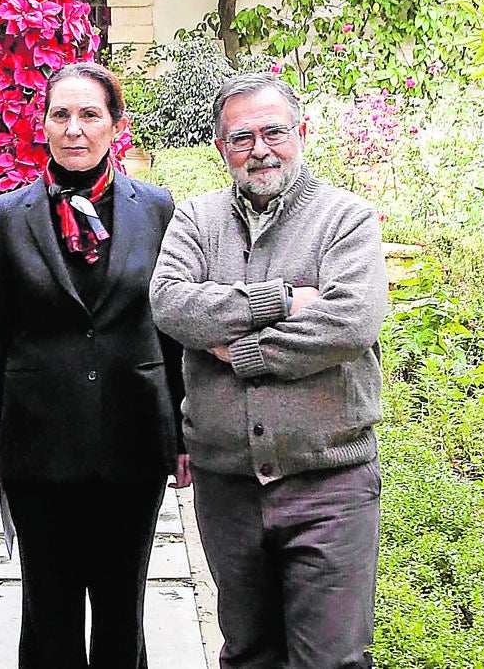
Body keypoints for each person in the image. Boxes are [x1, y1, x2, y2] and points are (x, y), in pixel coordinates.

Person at [149, 72, 387, 668]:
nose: (259, 149)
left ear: (301, 132)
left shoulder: (346, 220)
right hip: (227, 486)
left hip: (328, 485)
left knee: (330, 659)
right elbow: (172, 303)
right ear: (220, 148)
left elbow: (349, 324)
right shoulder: (197, 221)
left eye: (274, 132)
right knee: (249, 651)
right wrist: (280, 301)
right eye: (241, 137)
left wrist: (241, 350)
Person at [0, 62, 188, 669]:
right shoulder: (7, 217)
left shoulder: (156, 209)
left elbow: (172, 325)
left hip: (134, 435)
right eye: (60, 114)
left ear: (115, 126)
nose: (74, 129)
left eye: (90, 114)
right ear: (43, 123)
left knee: (123, 608)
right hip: (37, 440)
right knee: (49, 610)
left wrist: (181, 429)